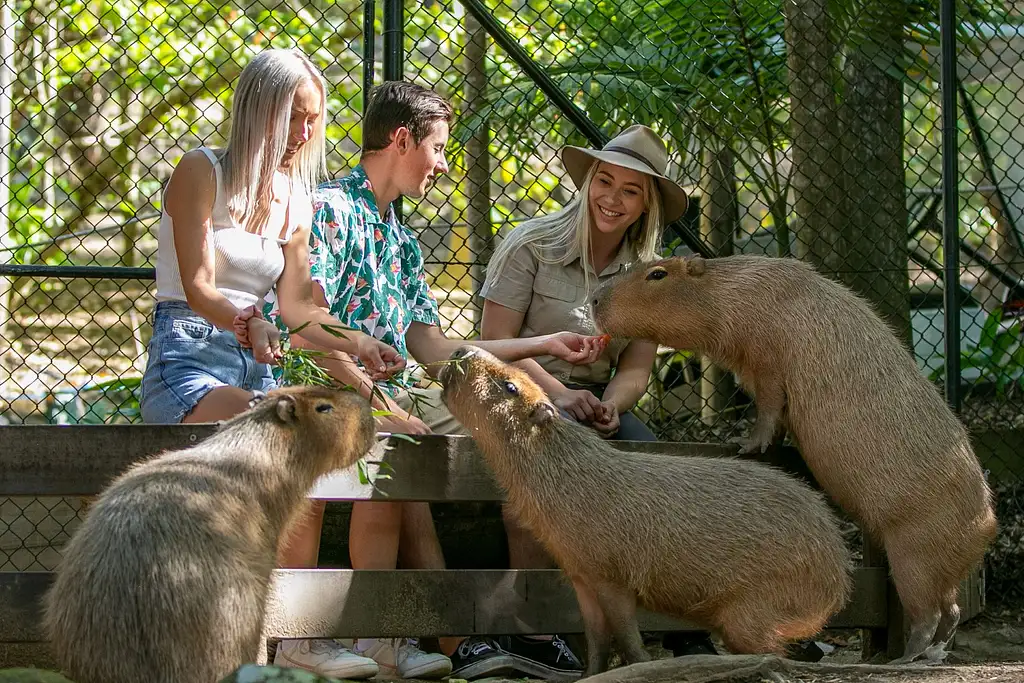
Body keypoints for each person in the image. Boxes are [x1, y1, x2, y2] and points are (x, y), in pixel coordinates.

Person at [263, 80, 606, 681]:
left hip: (398, 389)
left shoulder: (400, 238)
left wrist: (540, 346)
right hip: (332, 383)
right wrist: (380, 402)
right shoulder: (328, 211)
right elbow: (305, 335)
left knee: (523, 427)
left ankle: (518, 630)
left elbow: (432, 347)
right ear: (402, 139)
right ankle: (364, 634)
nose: (444, 165)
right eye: (440, 148)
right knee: (394, 446)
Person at [475, 124, 720, 660]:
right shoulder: (531, 244)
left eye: (630, 190)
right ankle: (530, 625)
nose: (613, 198)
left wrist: (614, 405)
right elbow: (494, 345)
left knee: (658, 465)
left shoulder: (647, 275)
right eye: (604, 182)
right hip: (521, 390)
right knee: (543, 465)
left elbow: (635, 368)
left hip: (593, 403)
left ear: (645, 205)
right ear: (587, 183)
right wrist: (558, 393)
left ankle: (680, 625)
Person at [140, 47, 405, 428]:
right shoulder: (201, 169)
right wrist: (249, 323)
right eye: (292, 118)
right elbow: (198, 287)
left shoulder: (297, 198)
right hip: (189, 361)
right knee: (277, 426)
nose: (303, 134)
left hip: (258, 370)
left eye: (312, 120)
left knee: (307, 428)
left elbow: (300, 310)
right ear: (257, 112)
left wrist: (361, 342)